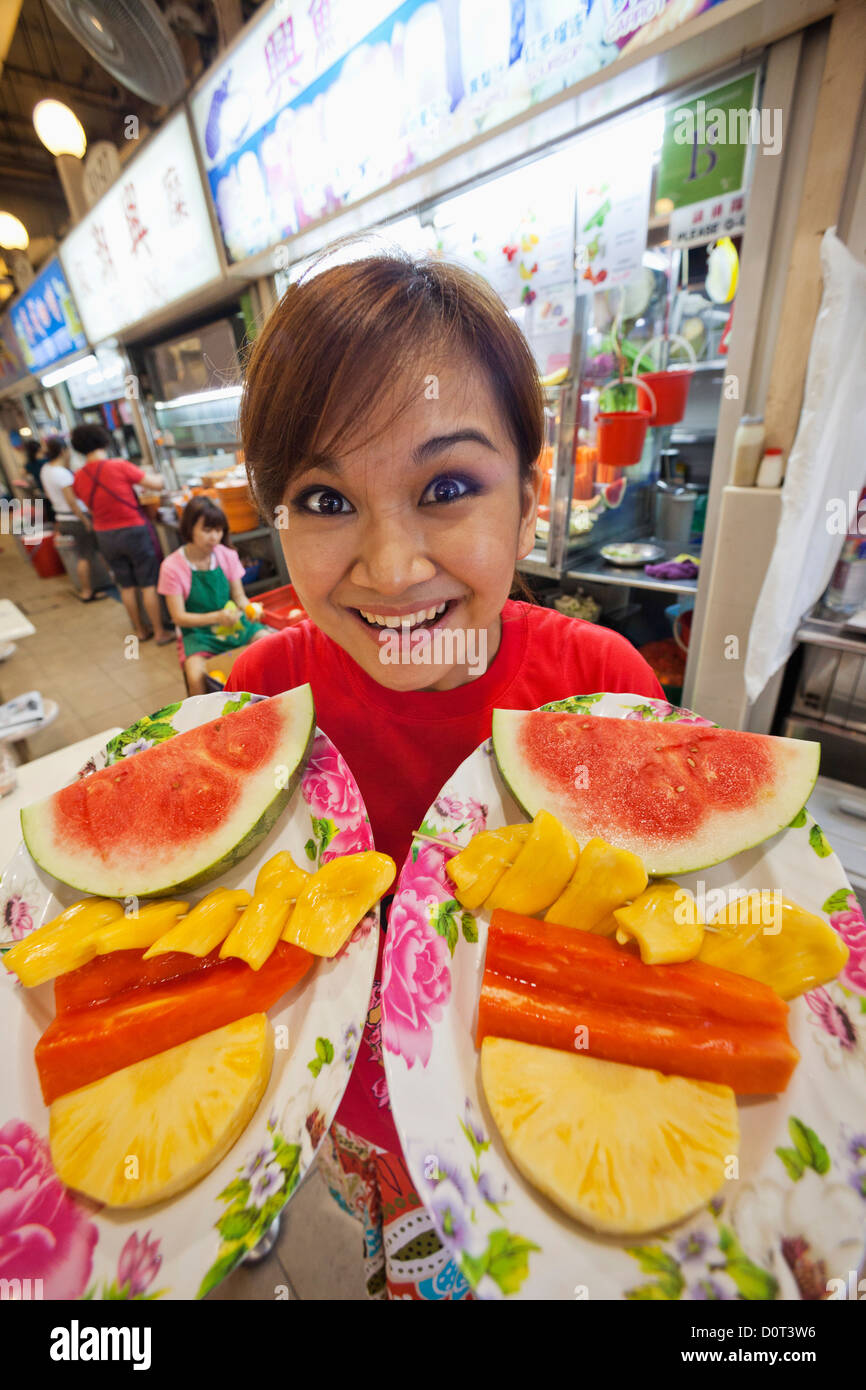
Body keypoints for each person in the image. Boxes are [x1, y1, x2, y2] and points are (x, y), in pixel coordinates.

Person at [223, 244, 664, 1301]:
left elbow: (648, 945)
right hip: (344, 1133)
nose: (389, 567)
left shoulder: (602, 685)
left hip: (540, 1122)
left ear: (530, 494)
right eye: (325, 499)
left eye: (447, 486)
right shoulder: (259, 694)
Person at [69, 423, 174, 644]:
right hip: (133, 530)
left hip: (105, 536)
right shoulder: (118, 465)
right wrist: (160, 474)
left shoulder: (78, 477)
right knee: (148, 583)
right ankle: (159, 632)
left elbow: (89, 505)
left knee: (126, 585)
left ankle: (140, 631)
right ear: (104, 440)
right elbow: (155, 485)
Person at [158, 495, 271, 694]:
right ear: (189, 528)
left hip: (233, 623)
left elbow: (238, 596)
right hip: (198, 633)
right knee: (196, 677)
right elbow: (179, 617)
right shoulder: (172, 567)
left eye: (218, 530)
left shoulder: (226, 554)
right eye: (207, 530)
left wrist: (249, 609)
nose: (214, 537)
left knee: (268, 644)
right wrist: (217, 617)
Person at [40, 437, 106, 603]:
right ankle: (87, 592)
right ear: (63, 451)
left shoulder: (46, 469)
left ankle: (90, 588)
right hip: (75, 519)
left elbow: (48, 495)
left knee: (81, 555)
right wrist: (85, 520)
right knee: (85, 557)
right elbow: (72, 501)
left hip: (61, 517)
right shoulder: (62, 474)